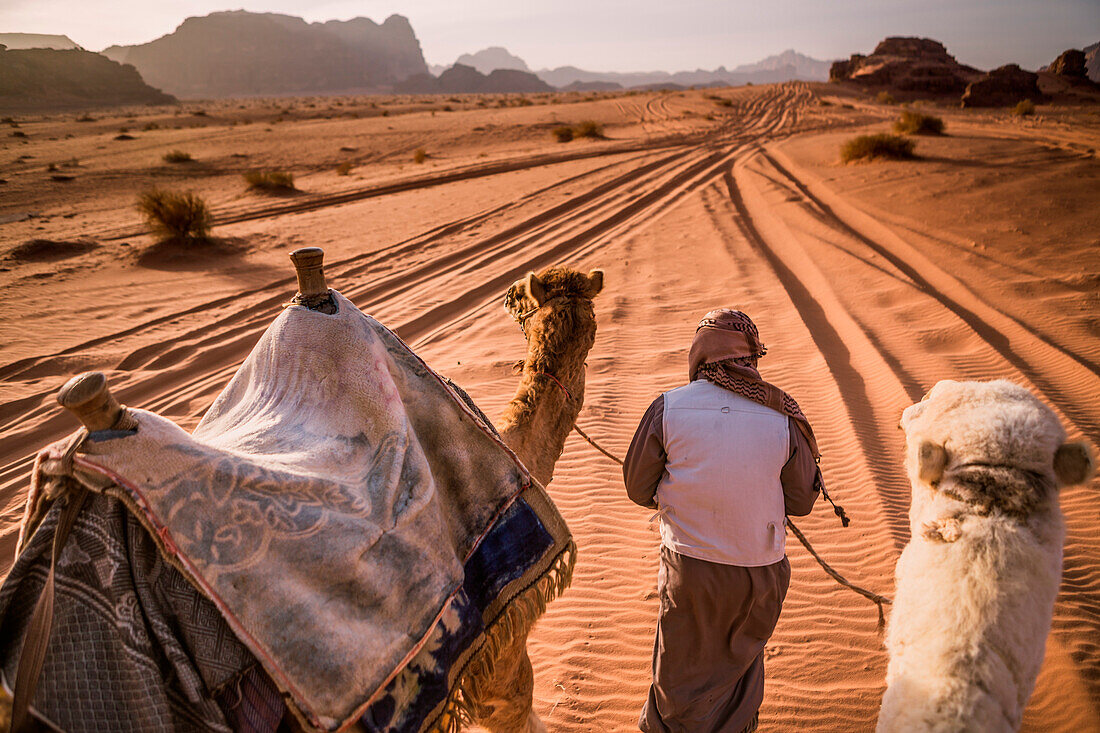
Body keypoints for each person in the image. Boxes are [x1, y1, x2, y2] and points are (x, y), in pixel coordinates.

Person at [623, 308, 823, 733]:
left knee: (678, 675)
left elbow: (638, 489)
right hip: (760, 573)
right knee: (741, 673)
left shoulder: (667, 408)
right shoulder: (783, 414)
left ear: (698, 357)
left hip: (690, 570)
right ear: (751, 357)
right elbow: (802, 500)